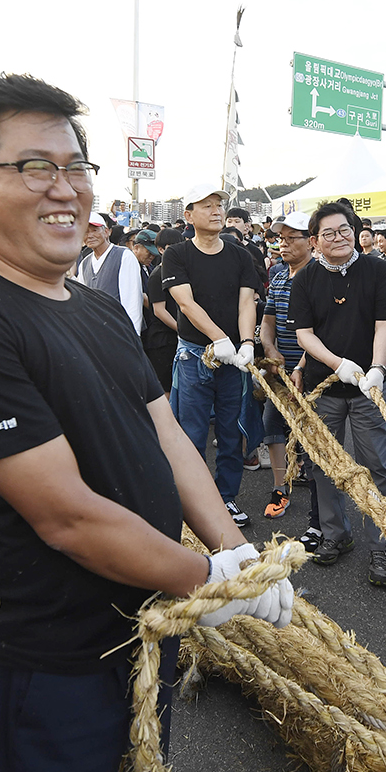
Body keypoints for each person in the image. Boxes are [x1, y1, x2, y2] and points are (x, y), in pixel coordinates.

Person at [0, 73, 290, 772]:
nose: (66, 188)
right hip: (51, 662)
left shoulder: (92, 305)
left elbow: (166, 433)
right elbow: (65, 515)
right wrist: (206, 579)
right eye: (35, 167)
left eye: (76, 167)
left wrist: (236, 554)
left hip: (145, 625)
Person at [289, 200, 386, 585]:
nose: (339, 238)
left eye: (345, 230)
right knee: (324, 465)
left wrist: (377, 369)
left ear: (355, 231)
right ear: (315, 241)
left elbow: (384, 326)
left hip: (368, 386)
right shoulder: (304, 279)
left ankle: (383, 546)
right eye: (329, 233)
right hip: (326, 386)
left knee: (377, 469)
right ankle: (336, 535)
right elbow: (305, 334)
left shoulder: (378, 270)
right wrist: (337, 364)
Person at [162, 184, 259, 528]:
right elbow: (185, 303)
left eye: (218, 204)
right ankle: (194, 503)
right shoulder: (176, 254)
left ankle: (226, 499)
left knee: (232, 432)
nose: (216, 210)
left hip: (234, 358)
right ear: (189, 216)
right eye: (206, 205)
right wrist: (219, 338)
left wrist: (246, 342)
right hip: (194, 355)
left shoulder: (239, 255)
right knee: (192, 432)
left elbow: (247, 301)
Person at [259, 211, 314, 523]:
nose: (284, 244)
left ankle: (317, 492)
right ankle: (281, 487)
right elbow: (267, 321)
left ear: (311, 242)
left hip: (312, 370)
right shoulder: (279, 277)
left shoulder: (320, 276)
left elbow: (322, 330)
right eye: (281, 238)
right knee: (272, 424)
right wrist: (269, 348)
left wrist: (302, 367)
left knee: (311, 430)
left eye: (292, 238)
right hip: (280, 371)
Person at [77, 211, 143, 333]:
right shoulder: (84, 264)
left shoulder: (124, 256)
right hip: (94, 333)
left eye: (95, 230)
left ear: (107, 232)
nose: (90, 235)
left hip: (119, 332)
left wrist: (133, 336)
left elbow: (132, 301)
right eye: (85, 231)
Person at [142, 227, 184, 393]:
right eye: (172, 247)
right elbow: (159, 310)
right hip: (162, 340)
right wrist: (181, 329)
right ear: (160, 249)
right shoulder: (157, 274)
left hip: (177, 338)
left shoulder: (179, 271)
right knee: (166, 389)